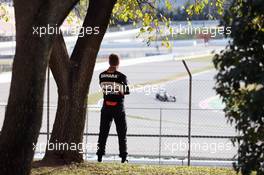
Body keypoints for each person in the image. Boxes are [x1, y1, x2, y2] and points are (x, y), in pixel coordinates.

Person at [96, 54, 130, 163]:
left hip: (106, 106)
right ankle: (123, 156)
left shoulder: (101, 75)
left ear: (109, 62)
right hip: (118, 107)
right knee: (121, 132)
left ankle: (100, 155)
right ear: (118, 63)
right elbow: (126, 91)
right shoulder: (121, 76)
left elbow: (103, 87)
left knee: (103, 132)